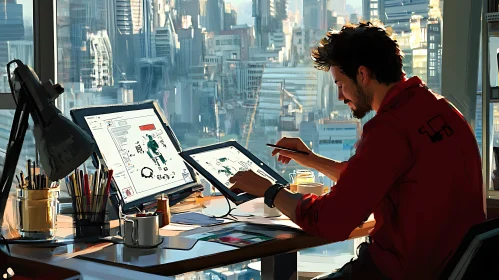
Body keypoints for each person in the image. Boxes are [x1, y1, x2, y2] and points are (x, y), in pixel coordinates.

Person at [228, 22, 485, 280]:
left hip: (399, 271)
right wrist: (311, 159)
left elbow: (331, 221)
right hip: (453, 268)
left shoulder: (390, 128)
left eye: (340, 84)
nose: (340, 97)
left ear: (362, 75)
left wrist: (270, 191)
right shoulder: (442, 110)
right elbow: (379, 178)